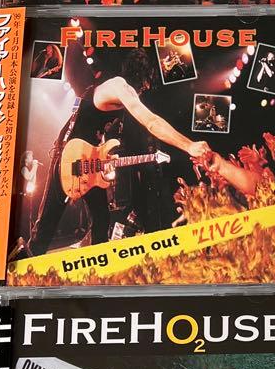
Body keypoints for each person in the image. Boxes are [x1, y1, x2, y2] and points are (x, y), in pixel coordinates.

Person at [23, 52, 211, 256]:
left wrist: (104, 154)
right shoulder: (120, 87)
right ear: (142, 75)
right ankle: (23, 265)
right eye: (147, 82)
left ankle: (98, 265)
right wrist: (189, 145)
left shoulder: (117, 93)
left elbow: (95, 131)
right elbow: (151, 122)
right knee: (46, 225)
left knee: (101, 219)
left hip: (88, 159)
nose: (146, 88)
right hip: (69, 154)